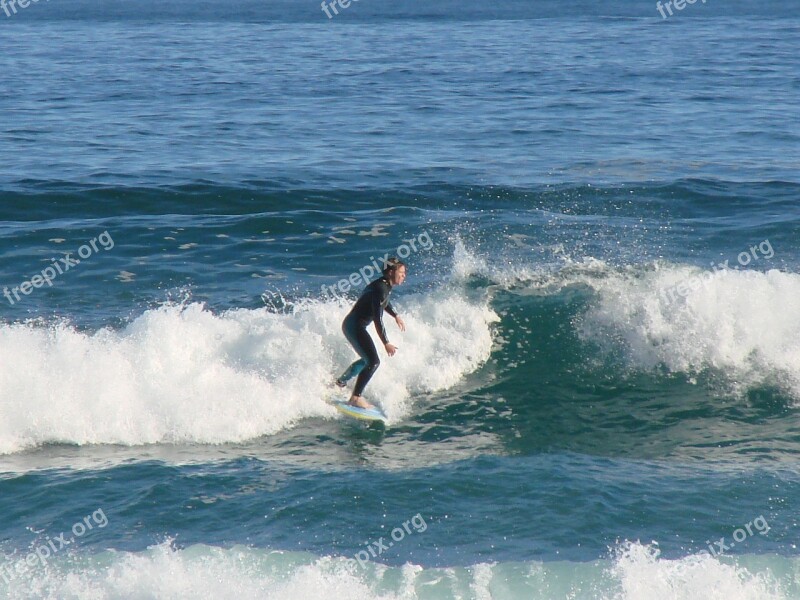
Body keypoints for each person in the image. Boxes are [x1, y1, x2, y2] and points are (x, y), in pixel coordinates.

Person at [336, 257, 407, 408]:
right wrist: (386, 342)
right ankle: (355, 398)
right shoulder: (380, 288)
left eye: (404, 273)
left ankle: (340, 382)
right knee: (373, 362)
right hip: (355, 326)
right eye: (401, 272)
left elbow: (384, 302)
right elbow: (377, 318)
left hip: (351, 325)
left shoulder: (383, 285)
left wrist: (395, 315)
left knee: (366, 360)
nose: (403, 276)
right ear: (390, 272)